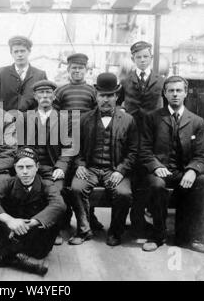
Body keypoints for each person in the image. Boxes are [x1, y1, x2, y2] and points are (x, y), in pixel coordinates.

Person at [140, 76, 204, 253]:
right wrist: (156, 166)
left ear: (185, 93)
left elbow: (201, 155)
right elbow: (144, 150)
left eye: (179, 90)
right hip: (159, 171)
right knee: (157, 186)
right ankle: (157, 236)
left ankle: (188, 236)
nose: (175, 94)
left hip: (183, 172)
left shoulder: (196, 121)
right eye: (171, 91)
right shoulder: (152, 118)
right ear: (165, 94)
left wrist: (192, 170)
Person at [70, 73, 138, 246]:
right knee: (77, 188)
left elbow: (132, 152)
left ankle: (115, 232)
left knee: (124, 194)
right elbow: (75, 147)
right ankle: (83, 230)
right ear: (96, 96)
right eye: (102, 95)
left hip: (114, 169)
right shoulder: (84, 119)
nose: (106, 100)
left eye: (110, 95)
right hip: (90, 168)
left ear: (116, 96)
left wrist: (120, 170)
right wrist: (79, 165)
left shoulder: (128, 120)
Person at [0, 147, 66, 276]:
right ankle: (21, 260)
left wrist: (30, 224)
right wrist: (10, 221)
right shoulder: (8, 183)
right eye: (20, 167)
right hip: (11, 233)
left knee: (56, 214)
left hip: (34, 238)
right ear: (15, 167)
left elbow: (58, 205)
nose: (25, 172)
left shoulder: (47, 185)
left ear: (37, 166)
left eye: (29, 167)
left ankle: (3, 257)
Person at [118, 41, 165, 237]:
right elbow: (118, 102)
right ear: (133, 59)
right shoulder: (126, 80)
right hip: (131, 132)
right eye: (139, 57)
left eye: (146, 56)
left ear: (151, 58)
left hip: (152, 134)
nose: (143, 60)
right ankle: (131, 218)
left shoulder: (161, 81)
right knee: (133, 172)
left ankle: (142, 215)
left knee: (148, 174)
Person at [53, 52, 102, 232]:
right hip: (66, 141)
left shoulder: (92, 91)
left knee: (84, 177)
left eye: (80, 68)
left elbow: (97, 115)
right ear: (68, 70)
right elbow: (55, 114)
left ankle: (90, 216)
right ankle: (64, 218)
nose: (77, 71)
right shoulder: (61, 90)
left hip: (87, 140)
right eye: (74, 68)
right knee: (66, 179)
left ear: (86, 70)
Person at [23, 79, 75, 245]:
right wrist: (28, 165)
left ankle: (54, 229)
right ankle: (30, 227)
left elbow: (69, 147)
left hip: (53, 167)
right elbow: (20, 146)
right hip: (31, 167)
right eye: (41, 93)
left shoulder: (64, 118)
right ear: (35, 96)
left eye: (48, 93)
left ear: (54, 96)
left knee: (56, 191)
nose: (44, 96)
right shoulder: (25, 117)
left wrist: (61, 166)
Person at [0, 35, 47, 111]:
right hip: (5, 120)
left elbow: (45, 101)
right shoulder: (1, 73)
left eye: (22, 51)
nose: (19, 55)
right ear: (11, 53)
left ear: (29, 52)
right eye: (16, 52)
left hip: (31, 120)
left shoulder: (40, 75)